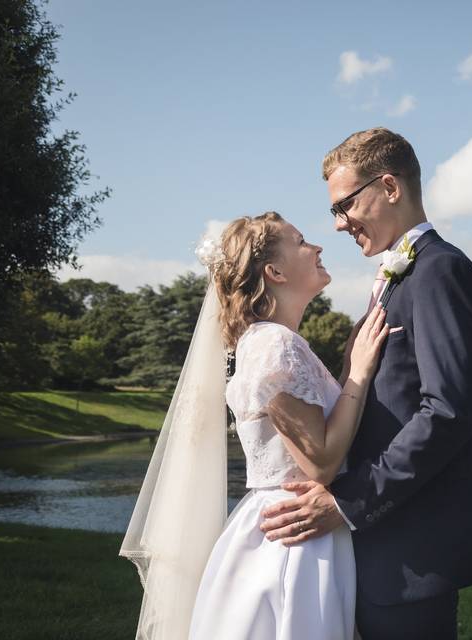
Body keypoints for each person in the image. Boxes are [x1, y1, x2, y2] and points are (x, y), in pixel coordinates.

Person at [260, 128, 472, 639]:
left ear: (390, 187)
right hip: (382, 547)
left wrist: (346, 501)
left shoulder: (441, 271)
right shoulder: (401, 277)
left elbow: (447, 413)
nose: (337, 224)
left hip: (411, 551)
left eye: (345, 204)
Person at [121, 211, 390, 639]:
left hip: (292, 523)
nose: (318, 247)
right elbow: (319, 462)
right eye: (302, 241)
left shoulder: (275, 342)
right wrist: (359, 372)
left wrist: (343, 371)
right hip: (295, 535)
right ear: (274, 271)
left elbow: (312, 430)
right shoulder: (274, 345)